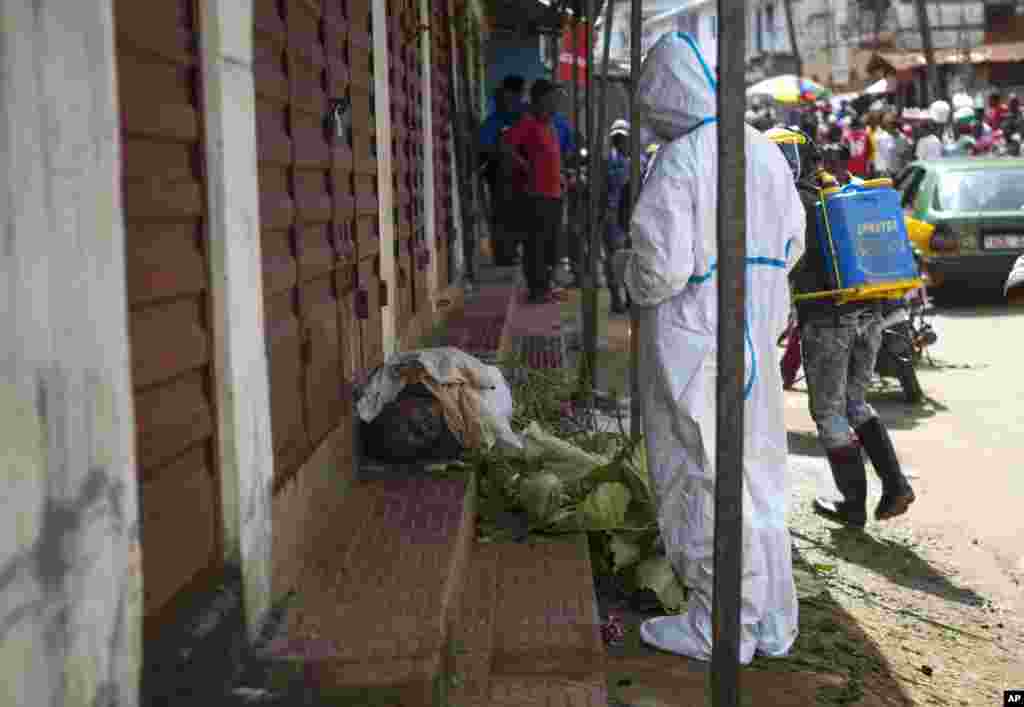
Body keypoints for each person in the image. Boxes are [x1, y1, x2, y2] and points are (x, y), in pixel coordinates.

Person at [612, 31, 806, 664]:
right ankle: (769, 622)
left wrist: (628, 270)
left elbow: (660, 269)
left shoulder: (683, 157)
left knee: (701, 476)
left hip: (697, 342)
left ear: (665, 94)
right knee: (759, 478)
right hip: (756, 336)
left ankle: (717, 624)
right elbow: (794, 243)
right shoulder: (763, 152)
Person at [790, 129, 917, 533]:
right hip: (870, 314)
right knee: (855, 402)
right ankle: (895, 486)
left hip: (829, 320)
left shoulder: (796, 204)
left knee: (828, 411)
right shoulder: (843, 193)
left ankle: (852, 506)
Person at [502, 79, 566, 304]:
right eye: (550, 101)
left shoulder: (550, 126)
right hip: (535, 196)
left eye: (556, 101)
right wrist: (525, 166)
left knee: (551, 245)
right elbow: (506, 146)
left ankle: (546, 286)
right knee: (536, 245)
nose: (554, 106)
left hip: (554, 194)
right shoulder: (528, 123)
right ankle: (537, 289)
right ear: (538, 101)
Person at [479, 76, 527, 265]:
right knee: (503, 218)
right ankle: (505, 255)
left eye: (515, 97)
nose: (510, 101)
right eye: (505, 97)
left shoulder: (527, 119)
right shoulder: (493, 122)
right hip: (500, 180)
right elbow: (483, 148)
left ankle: (514, 252)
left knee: (521, 219)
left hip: (525, 180)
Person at [603, 120, 633, 314]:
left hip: (631, 214)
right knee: (615, 257)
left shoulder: (636, 160)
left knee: (631, 257)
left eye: (623, 138)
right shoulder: (609, 162)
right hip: (613, 214)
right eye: (618, 139)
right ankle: (616, 296)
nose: (621, 142)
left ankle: (631, 297)